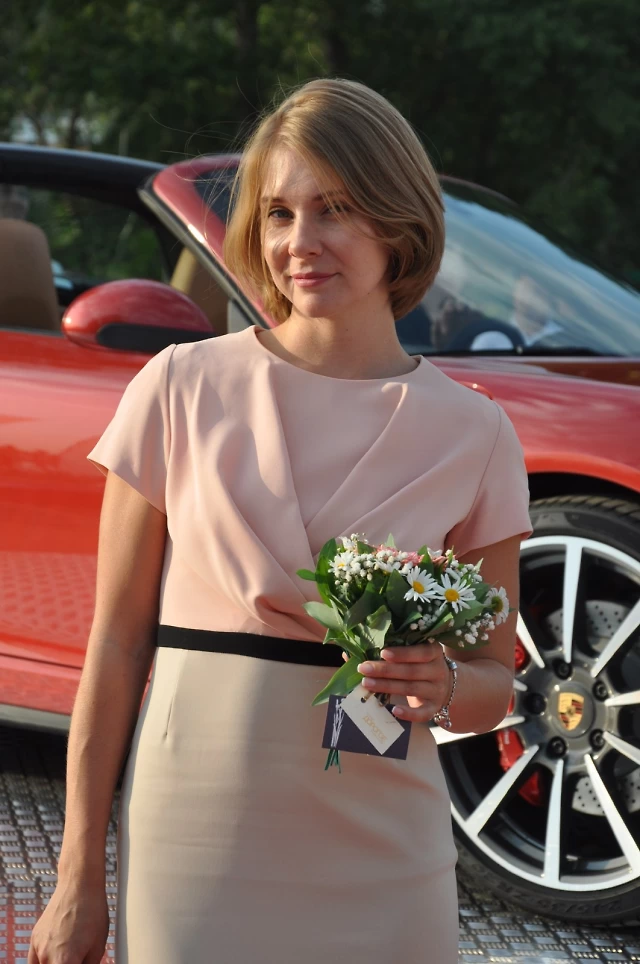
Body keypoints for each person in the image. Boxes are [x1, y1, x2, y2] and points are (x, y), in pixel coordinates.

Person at [29, 78, 532, 964]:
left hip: (387, 851)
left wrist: (445, 684)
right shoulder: (180, 388)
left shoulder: (478, 434)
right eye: (278, 213)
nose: (301, 242)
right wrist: (77, 875)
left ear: (398, 221)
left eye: (335, 209)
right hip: (193, 837)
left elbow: (497, 684)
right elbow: (114, 645)